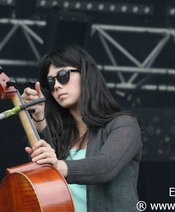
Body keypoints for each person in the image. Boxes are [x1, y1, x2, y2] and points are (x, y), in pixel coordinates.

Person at [21, 45, 142, 212]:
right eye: (50, 81)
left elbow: (104, 167)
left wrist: (58, 165)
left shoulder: (124, 125)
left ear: (86, 74)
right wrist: (39, 115)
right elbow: (43, 176)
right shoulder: (60, 134)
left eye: (63, 75)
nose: (56, 85)